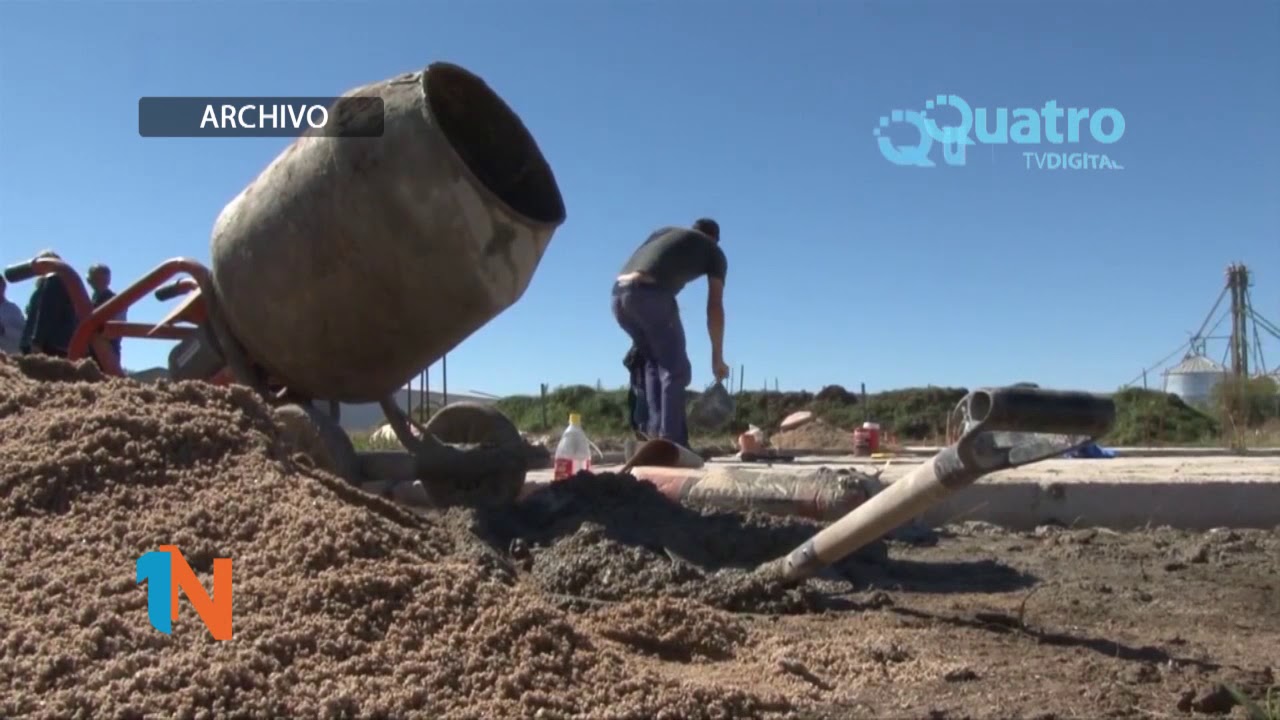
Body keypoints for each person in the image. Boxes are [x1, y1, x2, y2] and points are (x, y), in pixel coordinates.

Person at [612, 218, 730, 448]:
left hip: (618, 297)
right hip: (649, 293)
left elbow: (644, 263)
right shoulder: (714, 251)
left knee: (653, 363)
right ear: (715, 239)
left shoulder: (665, 231)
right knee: (676, 370)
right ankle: (672, 443)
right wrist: (717, 357)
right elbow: (714, 306)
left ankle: (653, 437)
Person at [20, 250, 78, 358]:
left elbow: (46, 313)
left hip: (48, 345)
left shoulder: (54, 282)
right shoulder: (61, 284)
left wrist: (37, 341)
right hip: (54, 343)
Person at [87, 263, 125, 365]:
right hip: (90, 348)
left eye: (101, 278)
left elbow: (117, 327)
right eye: (95, 278)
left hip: (107, 349)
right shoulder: (90, 301)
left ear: (108, 280)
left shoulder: (115, 300)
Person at [0, 276, 26, 356]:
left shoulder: (12, 309)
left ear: (3, 288)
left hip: (9, 359)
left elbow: (24, 335)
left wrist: (4, 330)